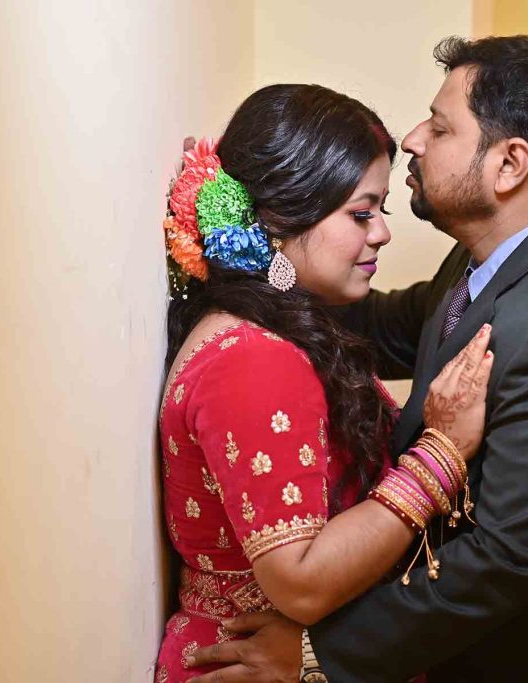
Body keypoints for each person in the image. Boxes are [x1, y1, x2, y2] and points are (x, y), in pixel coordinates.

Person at [187, 36, 528, 682]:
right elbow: (371, 323)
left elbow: (499, 559)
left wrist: (311, 654)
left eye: (441, 127)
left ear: (509, 165)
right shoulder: (484, 265)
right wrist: (253, 250)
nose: (413, 138)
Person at [154, 84, 494, 683]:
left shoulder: (275, 332)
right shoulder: (256, 359)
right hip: (255, 663)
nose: (382, 233)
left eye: (380, 212)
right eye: (361, 213)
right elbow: (302, 582)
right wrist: (442, 455)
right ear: (282, 216)